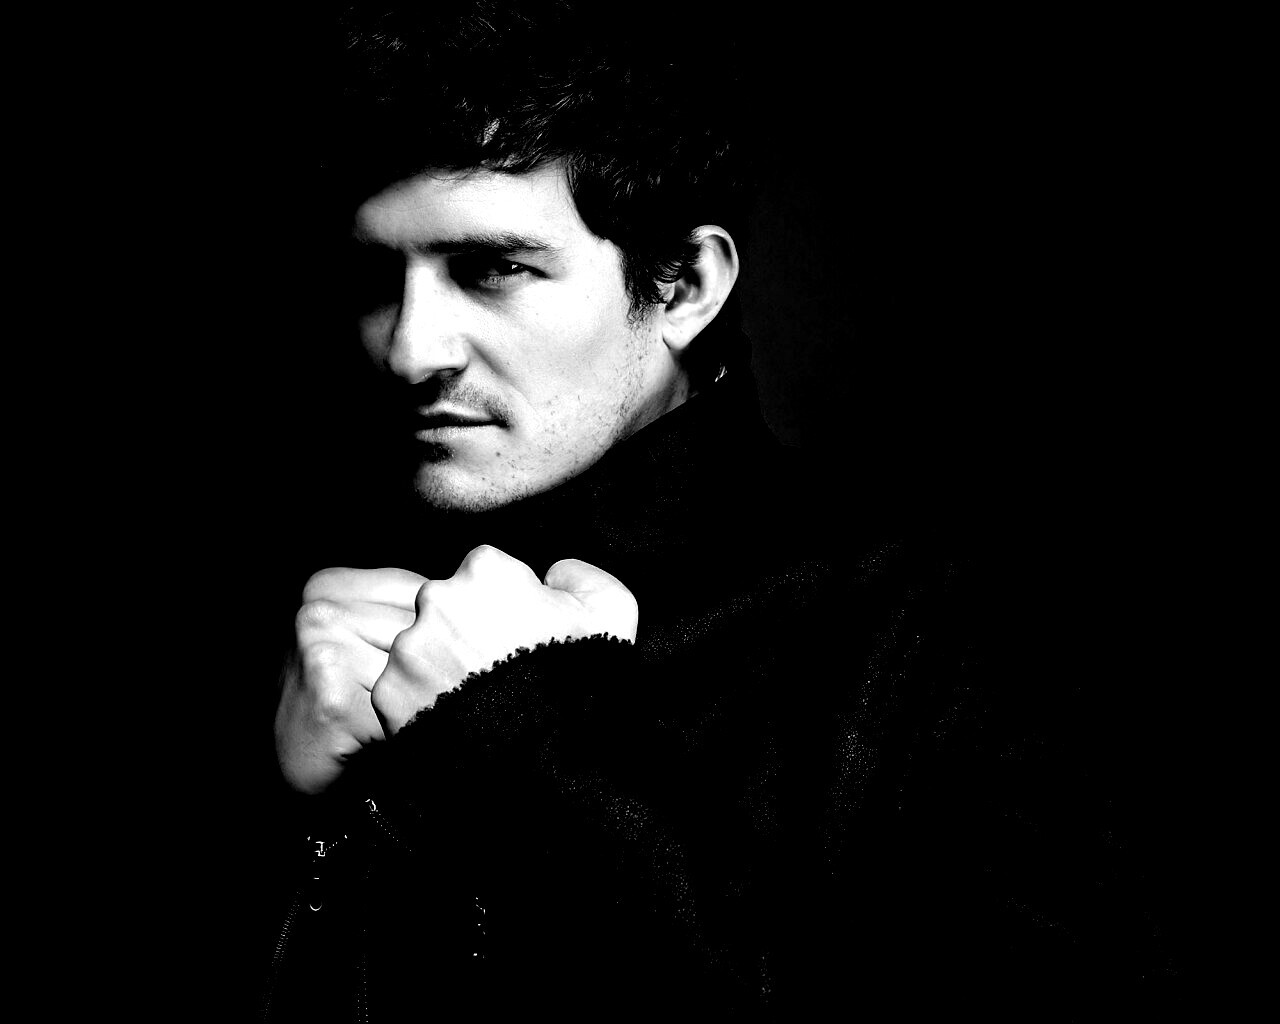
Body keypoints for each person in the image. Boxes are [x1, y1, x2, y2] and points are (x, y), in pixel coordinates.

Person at [261, 4, 1168, 1020]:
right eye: (379, 277)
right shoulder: (330, 602)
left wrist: (526, 741)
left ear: (684, 285)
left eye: (494, 269)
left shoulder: (947, 639)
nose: (409, 349)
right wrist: (299, 827)